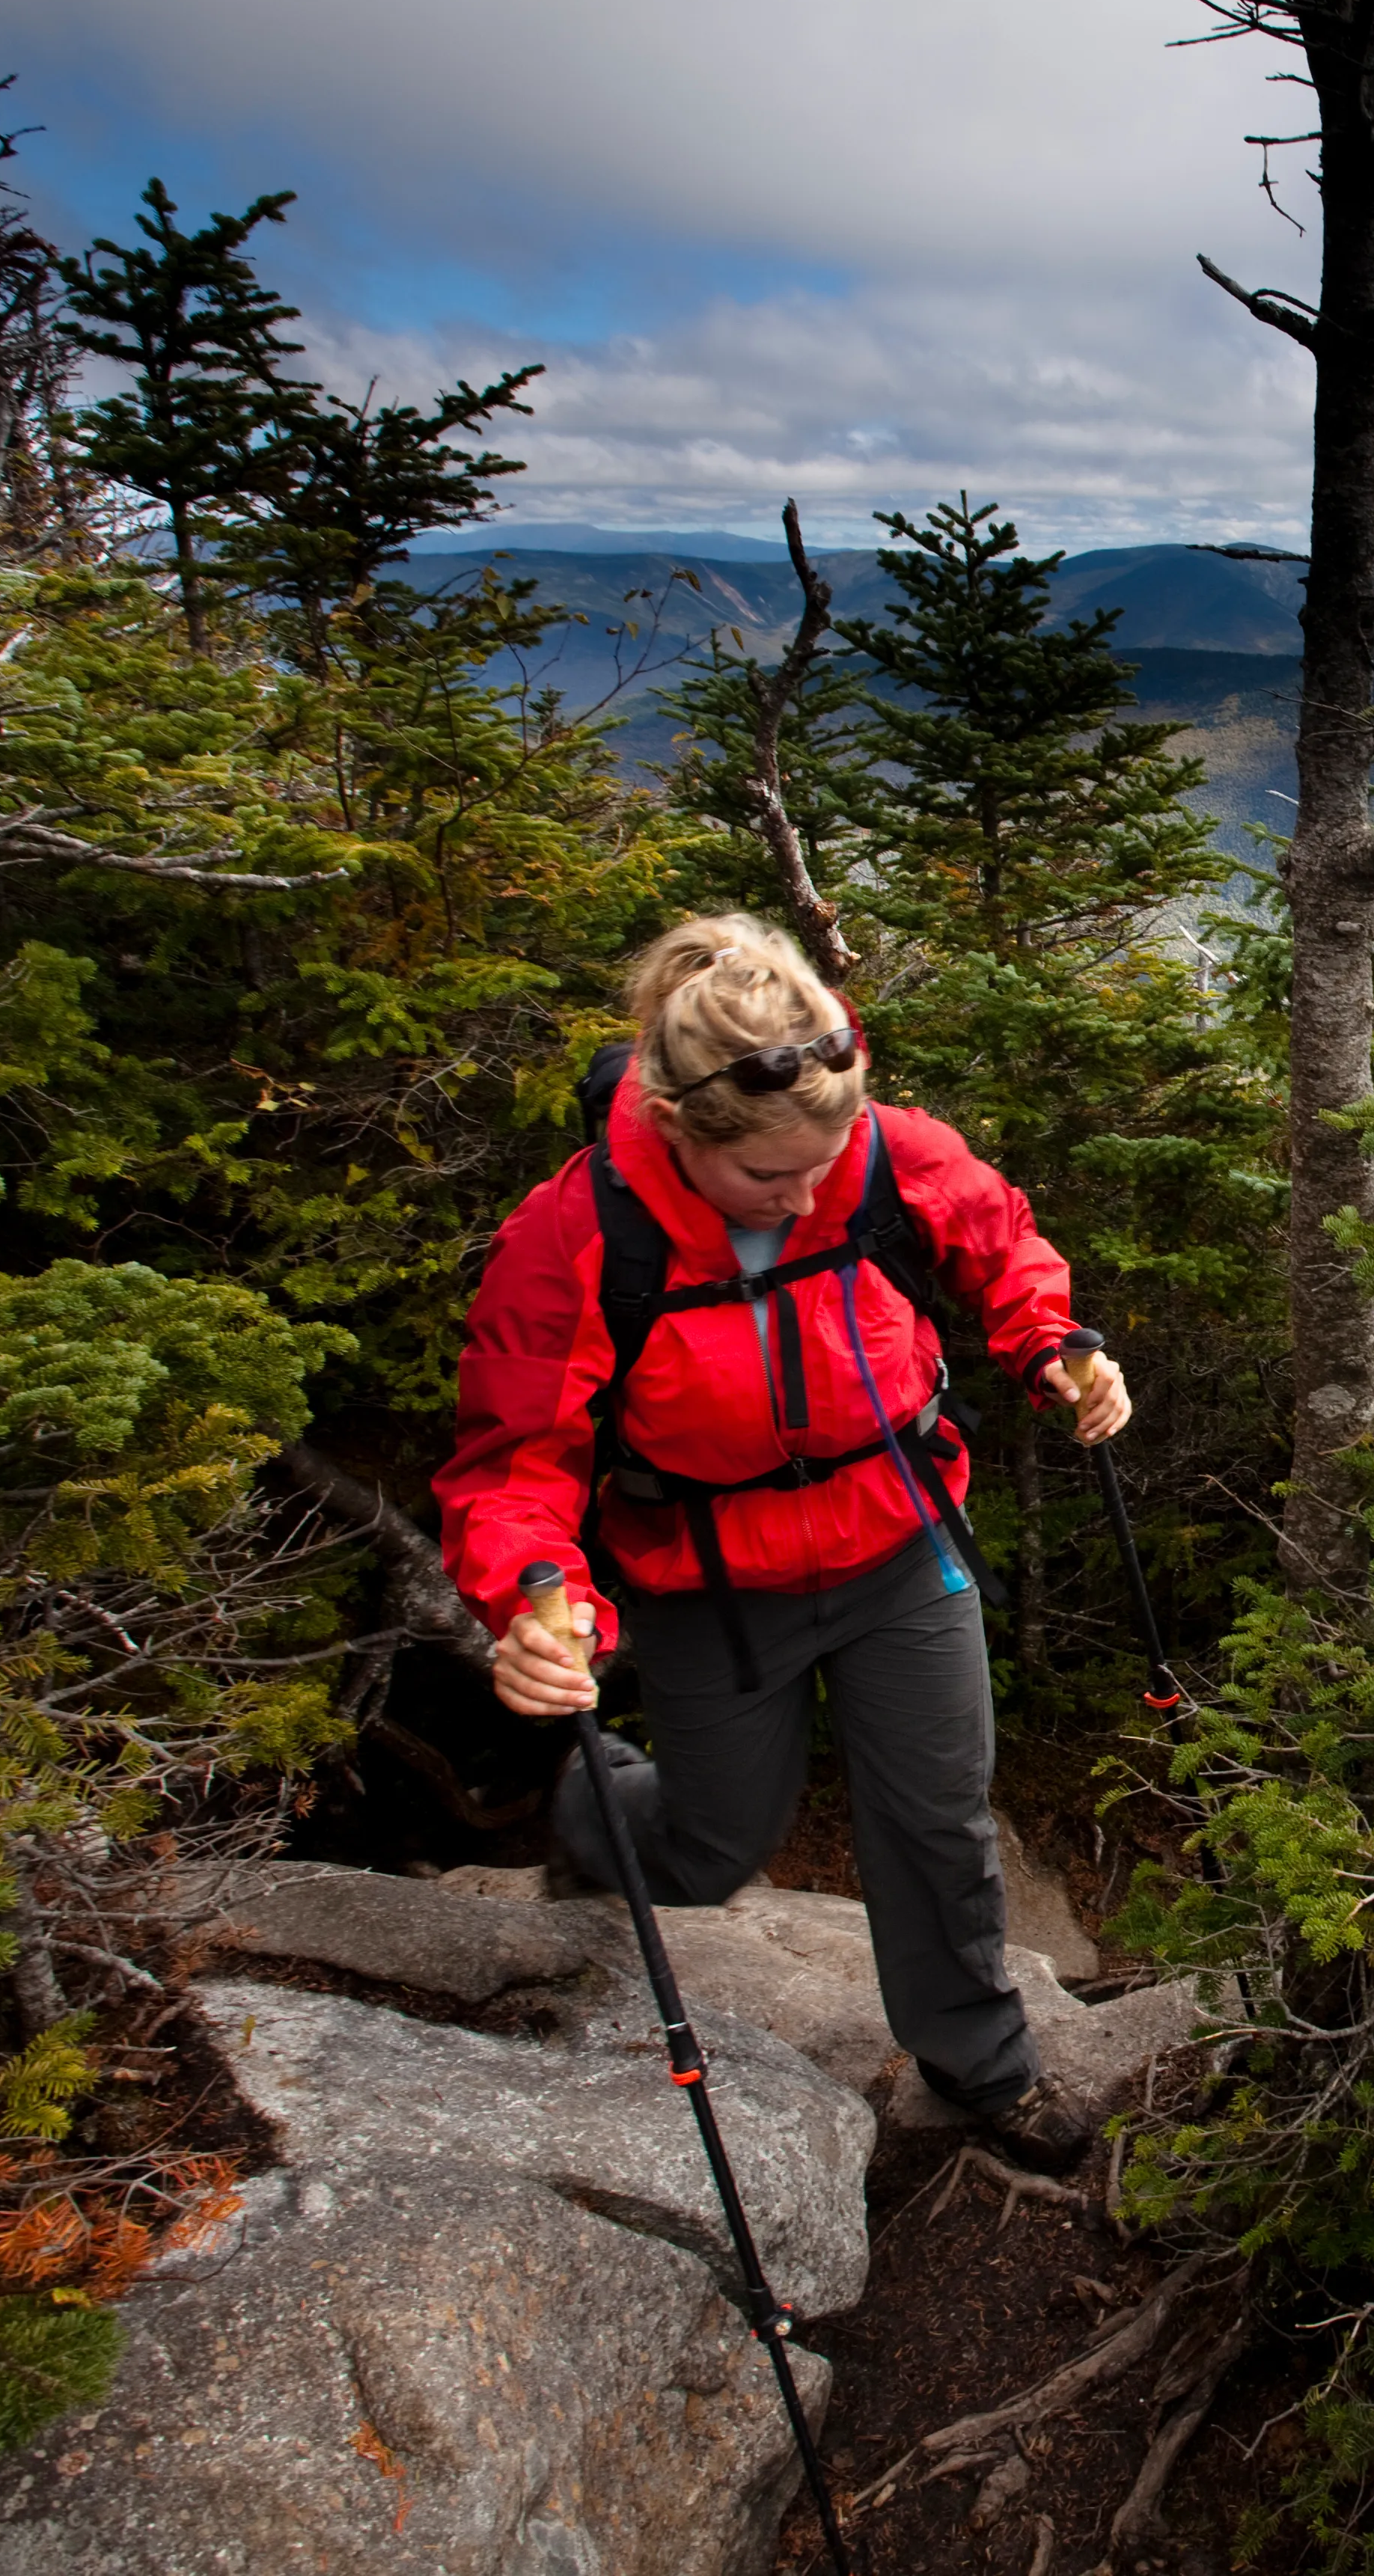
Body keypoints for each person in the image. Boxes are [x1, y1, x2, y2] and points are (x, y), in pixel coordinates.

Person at [436, 913, 1131, 2162]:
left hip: (902, 1543)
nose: (806, 1195)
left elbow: (1001, 1243)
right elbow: (514, 1461)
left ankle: (982, 2066)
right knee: (710, 1848)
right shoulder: (577, 1236)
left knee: (938, 1817)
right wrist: (541, 1601)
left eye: (826, 1161)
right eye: (769, 1179)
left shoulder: (882, 1153)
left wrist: (1058, 1349)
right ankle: (597, 1817)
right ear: (682, 1134)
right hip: (712, 1583)